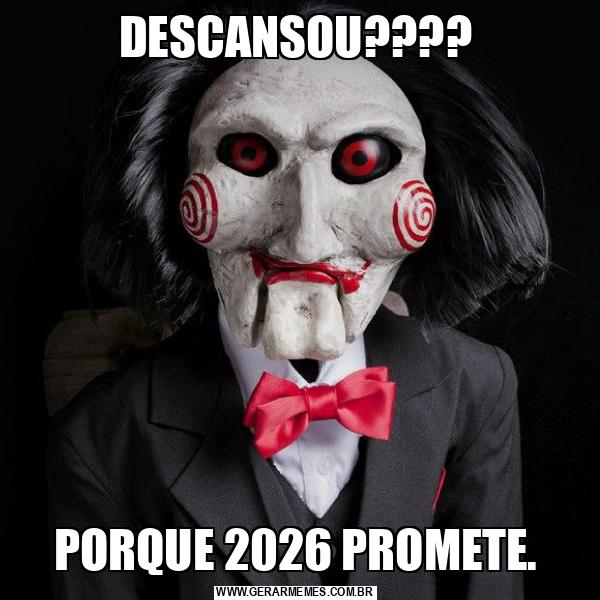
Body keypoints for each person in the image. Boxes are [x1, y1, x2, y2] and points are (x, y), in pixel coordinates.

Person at [47, 3, 548, 598]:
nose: (305, 238)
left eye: (361, 159)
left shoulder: (475, 386)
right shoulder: (103, 435)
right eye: (250, 155)